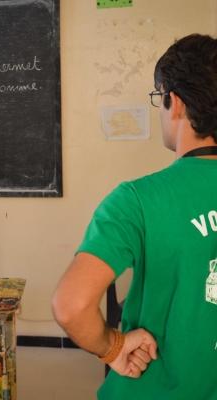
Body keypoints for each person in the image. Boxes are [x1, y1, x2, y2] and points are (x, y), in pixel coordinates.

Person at [52, 34, 217, 399]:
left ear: (174, 102)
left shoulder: (136, 200)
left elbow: (72, 305)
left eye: (159, 98)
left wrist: (112, 347)